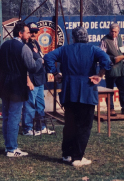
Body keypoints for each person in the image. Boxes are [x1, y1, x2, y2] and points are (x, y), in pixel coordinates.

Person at [44, 26, 112, 167]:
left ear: (73, 37)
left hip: (69, 91)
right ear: (86, 37)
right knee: (84, 125)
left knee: (70, 124)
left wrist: (55, 73)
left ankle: (67, 154)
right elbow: (107, 60)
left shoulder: (65, 49)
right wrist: (100, 75)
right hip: (87, 90)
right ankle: (77, 158)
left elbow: (48, 57)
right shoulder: (93, 49)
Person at [0, 21, 43, 157]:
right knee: (14, 118)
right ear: (20, 33)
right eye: (27, 32)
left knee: (6, 116)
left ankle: (8, 145)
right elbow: (32, 67)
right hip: (16, 86)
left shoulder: (3, 46)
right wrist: (39, 61)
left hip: (4, 85)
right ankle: (11, 148)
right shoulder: (23, 48)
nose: (28, 35)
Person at [22, 22, 55, 136]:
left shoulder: (35, 43)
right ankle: (27, 129)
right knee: (30, 104)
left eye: (36, 32)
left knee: (40, 104)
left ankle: (41, 127)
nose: (34, 34)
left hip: (40, 78)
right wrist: (28, 80)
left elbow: (40, 58)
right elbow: (25, 64)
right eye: (31, 32)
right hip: (31, 79)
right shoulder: (25, 45)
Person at [100, 23, 124, 115]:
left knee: (123, 89)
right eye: (112, 31)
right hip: (111, 69)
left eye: (115, 32)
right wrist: (112, 60)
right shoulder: (104, 40)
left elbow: (122, 50)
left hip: (120, 69)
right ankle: (110, 109)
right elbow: (102, 55)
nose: (114, 33)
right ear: (109, 31)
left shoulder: (119, 39)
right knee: (109, 91)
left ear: (118, 31)